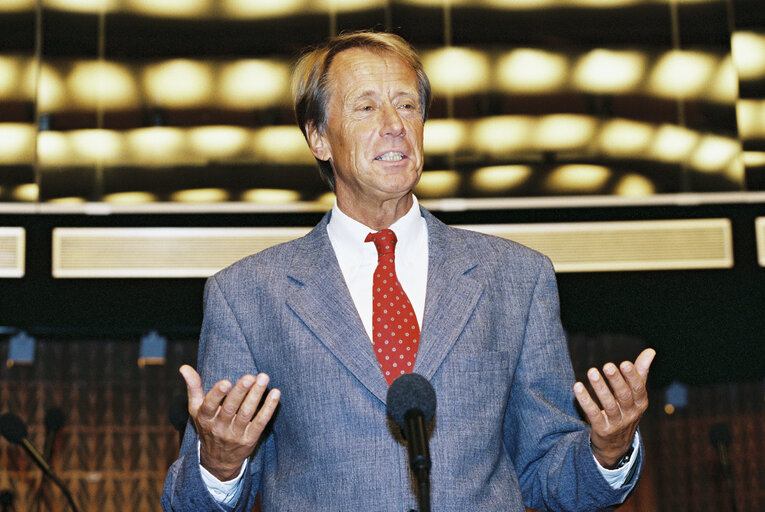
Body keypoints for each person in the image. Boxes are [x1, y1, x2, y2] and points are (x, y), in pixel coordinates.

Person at [161, 31, 655, 511]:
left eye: (407, 105)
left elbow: (548, 475)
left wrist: (607, 451)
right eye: (366, 106)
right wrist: (220, 463)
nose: (395, 123)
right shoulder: (247, 294)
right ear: (318, 138)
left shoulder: (517, 279)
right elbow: (190, 502)